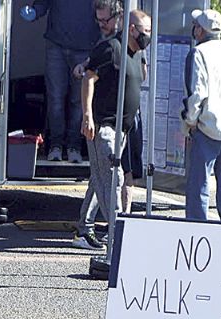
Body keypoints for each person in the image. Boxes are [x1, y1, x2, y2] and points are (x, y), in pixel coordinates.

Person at [72, 0, 142, 250]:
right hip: (105, 124)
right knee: (112, 177)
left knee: (100, 178)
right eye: (99, 21)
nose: (102, 25)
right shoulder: (108, 46)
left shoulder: (130, 48)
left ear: (120, 17)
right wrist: (87, 116)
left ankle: (85, 228)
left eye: (106, 20)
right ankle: (117, 235)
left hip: (123, 126)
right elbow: (88, 76)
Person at [180, 8, 221, 222]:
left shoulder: (198, 53)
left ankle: (198, 228)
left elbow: (197, 92)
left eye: (196, 25)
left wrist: (190, 121)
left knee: (200, 184)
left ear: (200, 30)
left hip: (208, 127)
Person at [23, 1, 100, 163]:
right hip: (56, 45)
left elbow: (105, 7)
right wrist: (35, 12)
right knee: (56, 98)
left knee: (78, 101)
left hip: (85, 47)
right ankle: (55, 145)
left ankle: (74, 146)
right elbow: (43, 3)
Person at [120, 9, 151, 214]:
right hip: (117, 120)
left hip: (134, 118)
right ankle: (121, 215)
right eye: (145, 30)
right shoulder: (116, 49)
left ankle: (126, 212)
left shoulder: (140, 53)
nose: (148, 35)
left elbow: (144, 76)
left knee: (131, 169)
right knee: (118, 171)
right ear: (132, 30)